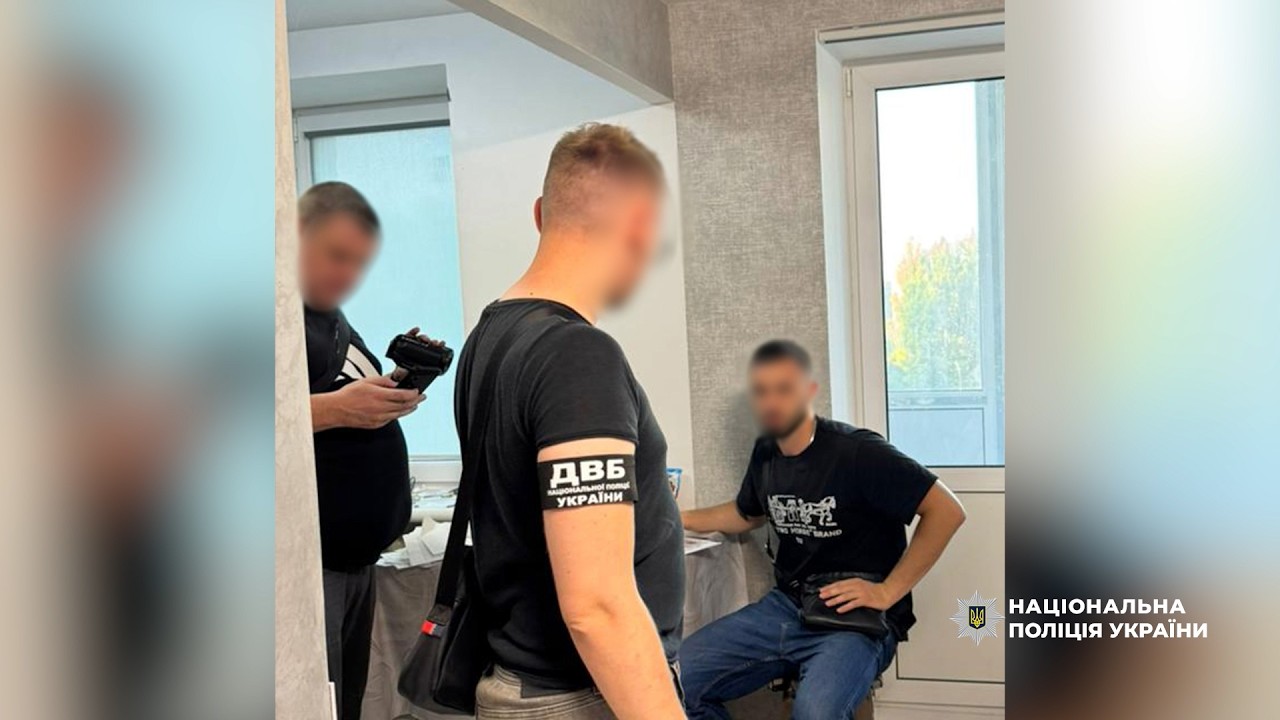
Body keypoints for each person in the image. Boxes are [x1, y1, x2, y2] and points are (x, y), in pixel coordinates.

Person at [455, 123, 685, 719]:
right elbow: (597, 607)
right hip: (578, 695)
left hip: (527, 681)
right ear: (639, 228)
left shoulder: (490, 338)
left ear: (540, 214)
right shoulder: (577, 356)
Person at [680, 340, 967, 720]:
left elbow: (946, 510)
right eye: (761, 391)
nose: (771, 402)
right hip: (788, 605)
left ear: (809, 391)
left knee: (816, 713)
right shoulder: (765, 453)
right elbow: (746, 514)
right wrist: (675, 518)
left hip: (853, 619)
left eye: (784, 389)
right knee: (676, 680)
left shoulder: (857, 451)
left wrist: (886, 591)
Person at [299, 181, 426, 720]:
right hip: (309, 564)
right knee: (313, 703)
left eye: (359, 262)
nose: (348, 274)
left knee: (343, 703)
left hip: (354, 560)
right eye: (337, 255)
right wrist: (335, 410)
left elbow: (343, 400)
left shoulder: (331, 322)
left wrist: (393, 387)